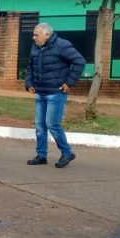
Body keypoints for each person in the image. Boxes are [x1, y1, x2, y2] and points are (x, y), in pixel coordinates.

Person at [25, 23, 85, 168]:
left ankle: (67, 152)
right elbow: (30, 66)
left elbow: (79, 61)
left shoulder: (62, 45)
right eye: (33, 34)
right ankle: (41, 155)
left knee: (52, 124)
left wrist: (69, 82)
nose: (33, 38)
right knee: (40, 126)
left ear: (47, 35)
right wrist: (29, 83)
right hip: (40, 92)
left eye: (36, 35)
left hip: (56, 93)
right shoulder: (35, 47)